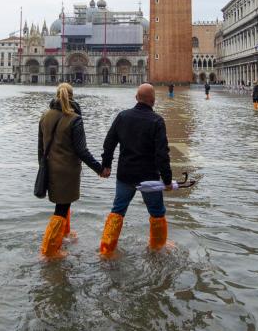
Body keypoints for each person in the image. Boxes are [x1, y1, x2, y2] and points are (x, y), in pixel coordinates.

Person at [98, 83, 173, 256]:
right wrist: (167, 180)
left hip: (125, 175)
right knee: (157, 213)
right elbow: (162, 154)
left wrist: (106, 165)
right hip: (149, 178)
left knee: (117, 210)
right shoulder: (157, 121)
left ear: (136, 98)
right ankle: (157, 247)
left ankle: (106, 249)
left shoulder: (123, 116)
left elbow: (109, 143)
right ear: (153, 101)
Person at [37, 83, 108, 258]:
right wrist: (99, 169)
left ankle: (64, 235)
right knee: (61, 208)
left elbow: (40, 149)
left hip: (50, 167)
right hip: (67, 171)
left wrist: (43, 167)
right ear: (72, 97)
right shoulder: (74, 118)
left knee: (62, 204)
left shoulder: (45, 116)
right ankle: (50, 250)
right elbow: (82, 150)